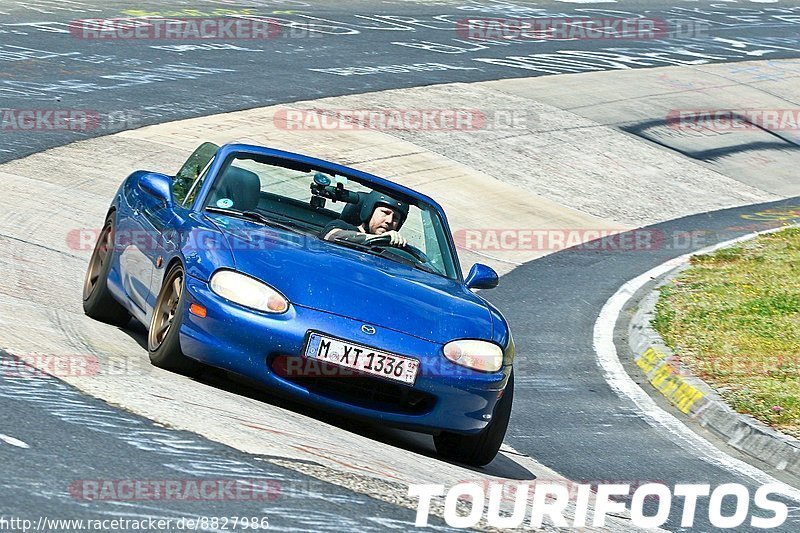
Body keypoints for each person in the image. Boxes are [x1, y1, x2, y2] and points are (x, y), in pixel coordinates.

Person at [320, 191, 409, 247]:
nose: (389, 221)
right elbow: (332, 235)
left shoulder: (394, 246)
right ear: (369, 211)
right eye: (385, 213)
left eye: (395, 218)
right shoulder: (340, 225)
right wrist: (378, 239)